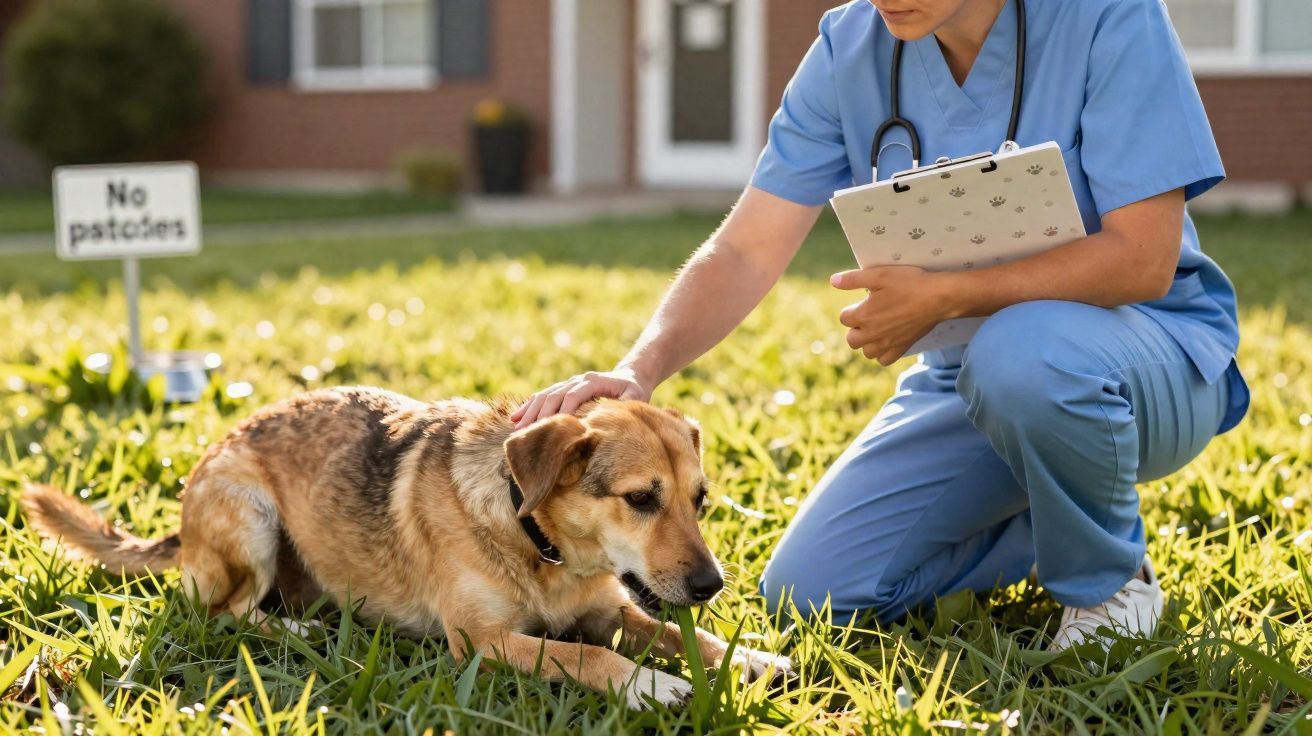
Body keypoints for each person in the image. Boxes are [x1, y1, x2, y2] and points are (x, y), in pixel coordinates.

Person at [514, 0, 1248, 650]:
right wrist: (639, 370)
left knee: (1021, 356)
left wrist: (947, 296)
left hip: (1149, 357)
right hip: (969, 380)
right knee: (810, 595)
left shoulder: (1110, 17)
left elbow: (1144, 260)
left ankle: (1107, 586)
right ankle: (1055, 516)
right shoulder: (850, 48)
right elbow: (745, 248)